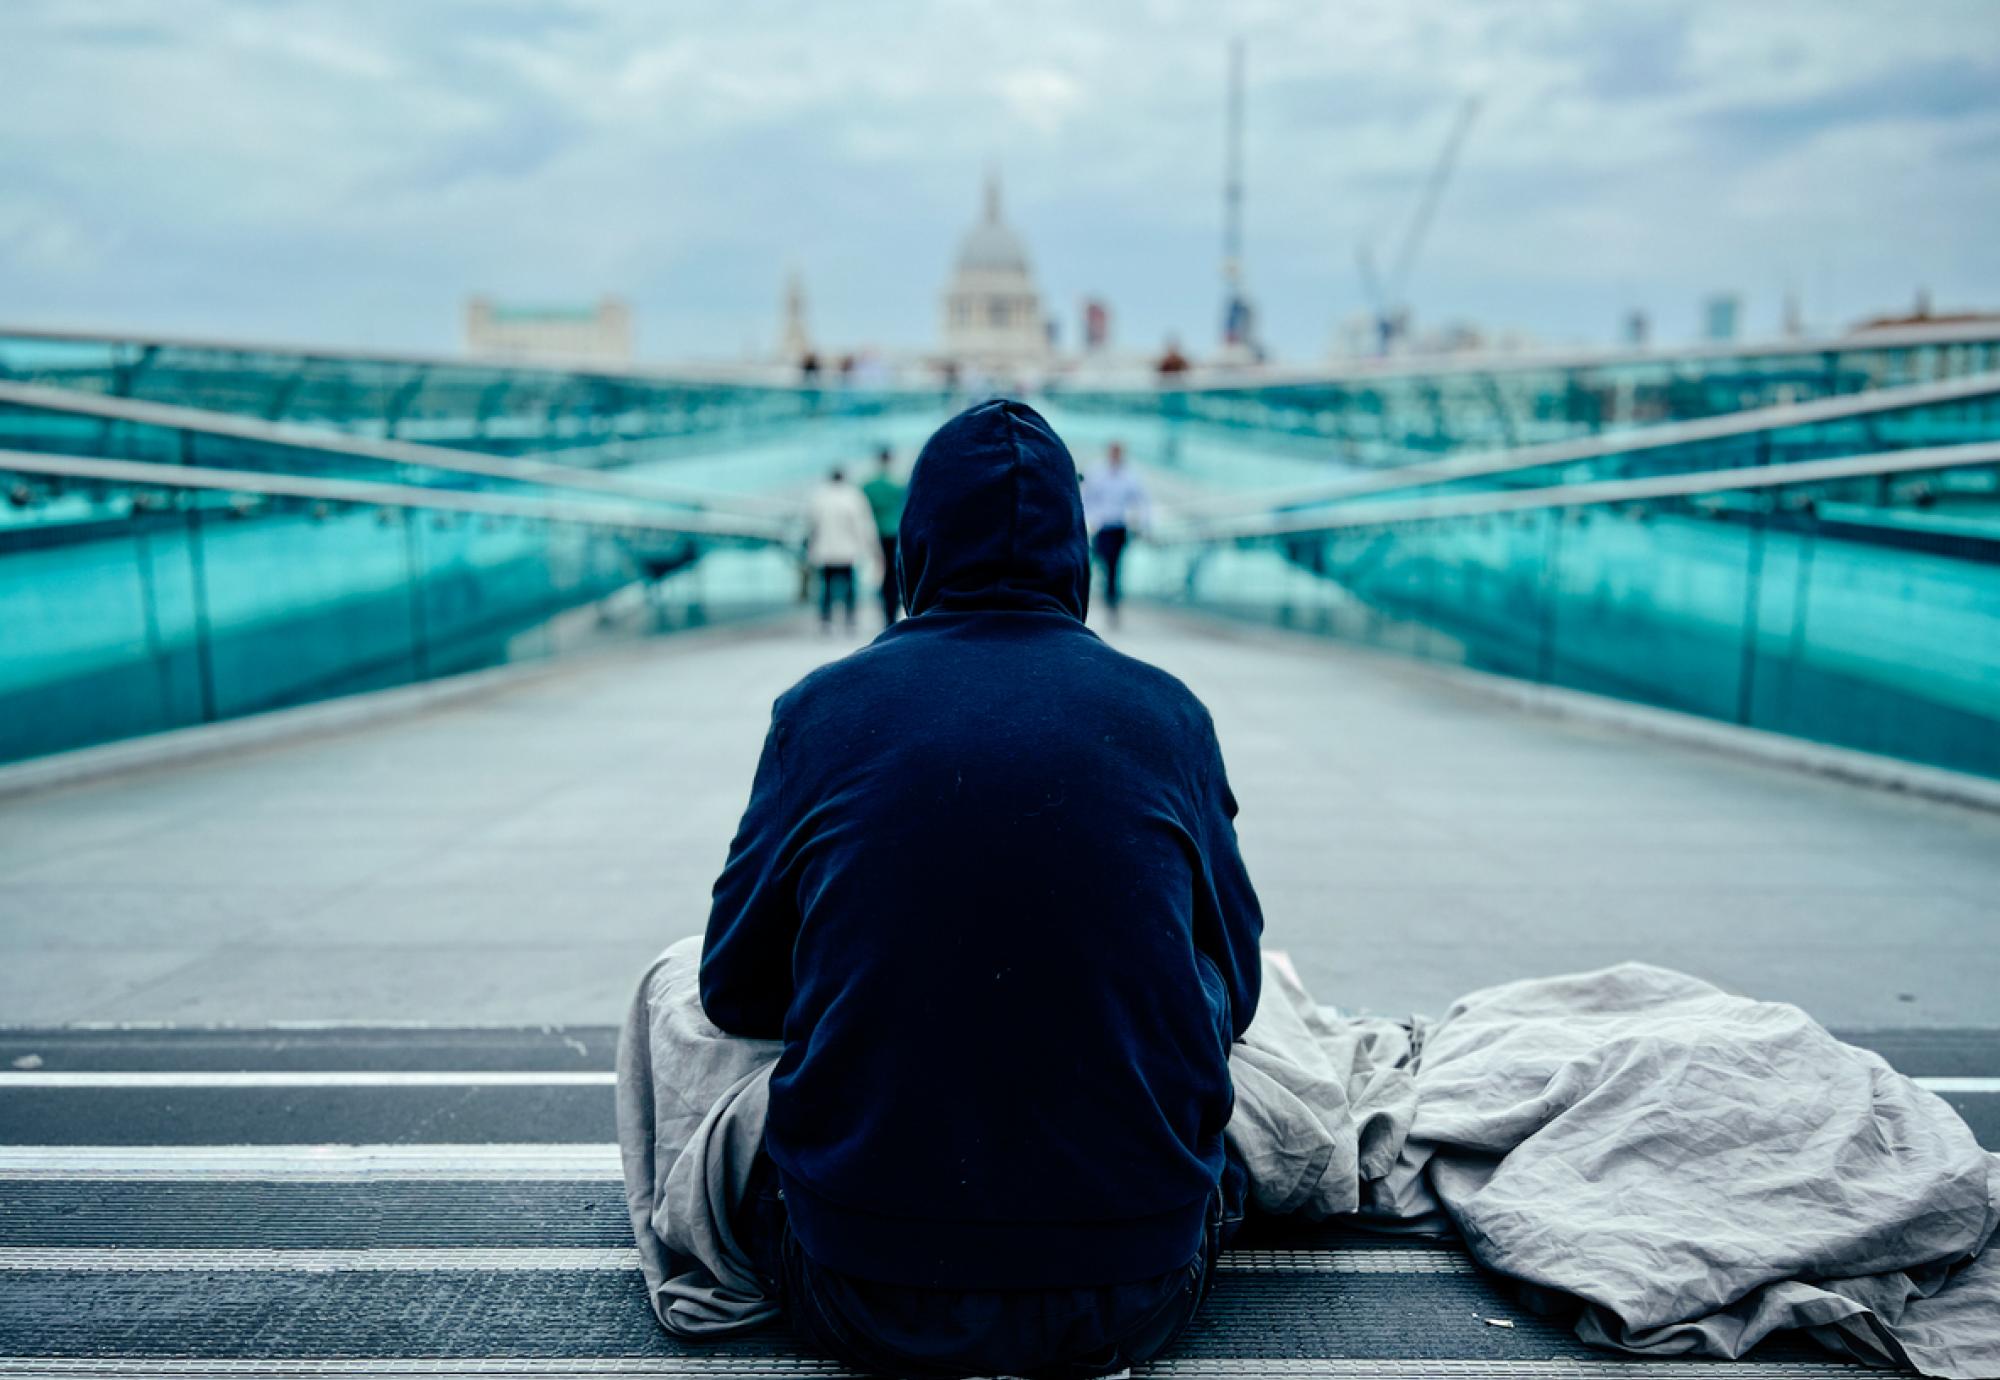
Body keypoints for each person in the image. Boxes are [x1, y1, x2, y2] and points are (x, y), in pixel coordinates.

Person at [702, 400, 1262, 1378]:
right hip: (1131, 1293)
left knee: (670, 992)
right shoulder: (1168, 714)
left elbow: (728, 991)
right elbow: (1240, 990)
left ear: (913, 544)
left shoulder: (819, 712)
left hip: (860, 1287)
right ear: (1075, 550)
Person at [1081, 441, 1148, 625]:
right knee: (1094, 563)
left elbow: (1141, 501)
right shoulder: (1096, 472)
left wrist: (1142, 524)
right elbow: (1086, 498)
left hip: (1118, 527)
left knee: (1113, 567)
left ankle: (1111, 604)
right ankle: (1085, 599)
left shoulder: (1130, 475)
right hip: (1100, 527)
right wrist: (1090, 520)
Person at [804, 467, 878, 634]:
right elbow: (862, 525)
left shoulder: (819, 497)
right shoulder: (853, 496)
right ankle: (850, 619)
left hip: (825, 550)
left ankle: (826, 620)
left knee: (826, 586)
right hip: (848, 551)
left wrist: (811, 547)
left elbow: (811, 525)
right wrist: (867, 547)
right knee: (850, 586)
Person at [859, 446, 907, 626]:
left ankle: (884, 611)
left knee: (880, 574)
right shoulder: (899, 484)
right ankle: (892, 613)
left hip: (876, 533)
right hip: (895, 534)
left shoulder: (868, 486)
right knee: (894, 575)